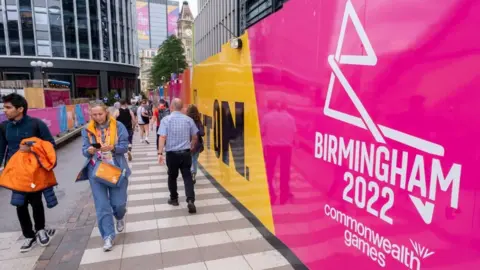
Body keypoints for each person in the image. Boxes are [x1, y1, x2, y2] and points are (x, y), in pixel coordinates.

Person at [0, 93, 57, 252]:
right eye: (5, 107)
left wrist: (32, 148)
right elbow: (1, 149)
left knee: (36, 201)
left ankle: (40, 230)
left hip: (34, 172)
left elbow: (50, 144)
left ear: (20, 109)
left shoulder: (36, 124)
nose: (5, 110)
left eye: (8, 107)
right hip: (16, 172)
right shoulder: (4, 126)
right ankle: (28, 235)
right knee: (20, 204)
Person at [77, 102, 131, 251]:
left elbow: (125, 146)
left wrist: (113, 147)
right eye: (94, 115)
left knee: (119, 204)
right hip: (96, 170)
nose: (97, 117)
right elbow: (84, 151)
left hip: (116, 169)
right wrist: (89, 151)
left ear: (106, 112)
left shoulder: (118, 126)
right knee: (102, 205)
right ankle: (108, 236)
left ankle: (119, 217)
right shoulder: (87, 130)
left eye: (100, 114)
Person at [158, 98, 198, 214]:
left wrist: (160, 153)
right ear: (181, 107)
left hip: (172, 154)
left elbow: (162, 137)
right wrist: (191, 146)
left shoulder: (166, 120)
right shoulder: (189, 120)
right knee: (187, 177)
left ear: (171, 107)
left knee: (172, 176)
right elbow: (195, 136)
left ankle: (174, 199)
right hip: (185, 153)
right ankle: (190, 200)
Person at [186, 104, 204, 184]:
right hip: (197, 144)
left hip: (188, 143)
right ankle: (193, 173)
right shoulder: (198, 121)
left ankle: (190, 172)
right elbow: (202, 133)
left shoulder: (186, 121)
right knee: (194, 159)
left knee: (189, 160)